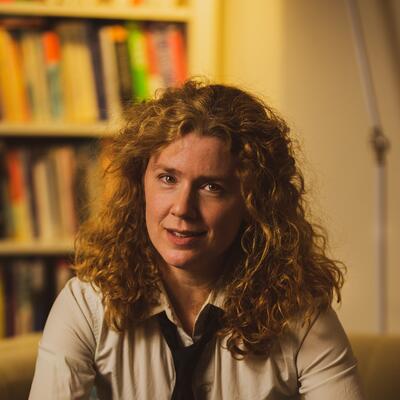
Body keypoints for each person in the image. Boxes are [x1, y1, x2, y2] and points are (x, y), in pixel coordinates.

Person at [29, 80, 364, 400]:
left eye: (211, 187)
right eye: (168, 178)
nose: (182, 208)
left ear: (252, 204)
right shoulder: (87, 305)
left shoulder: (300, 314)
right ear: (140, 184)